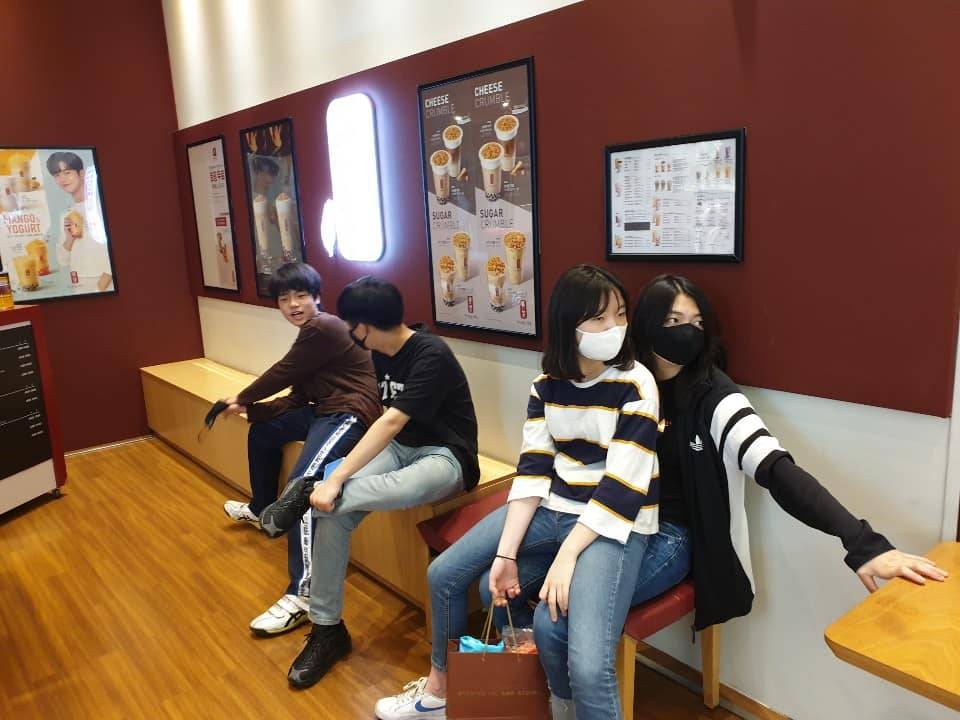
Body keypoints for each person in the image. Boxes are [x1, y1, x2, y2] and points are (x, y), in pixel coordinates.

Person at [521, 274, 948, 717]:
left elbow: (776, 469)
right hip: (603, 524)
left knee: (556, 621)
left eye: (697, 323)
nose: (687, 332)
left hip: (667, 537)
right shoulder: (619, 380)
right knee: (504, 583)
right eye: (673, 320)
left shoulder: (716, 397)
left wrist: (862, 543)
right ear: (645, 324)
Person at [375, 265, 660, 720]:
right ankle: (444, 689)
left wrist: (567, 556)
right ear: (568, 324)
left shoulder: (636, 382)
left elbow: (623, 488)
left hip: (613, 523)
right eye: (599, 318)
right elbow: (532, 472)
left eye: (620, 314)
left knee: (591, 667)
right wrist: (506, 554)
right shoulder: (545, 385)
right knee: (444, 574)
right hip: (554, 506)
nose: (615, 327)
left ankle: (559, 700)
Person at [256, 276, 480, 689]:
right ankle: (327, 630)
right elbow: (385, 425)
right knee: (331, 512)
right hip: (400, 447)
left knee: (351, 491)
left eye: (351, 325)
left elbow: (392, 420)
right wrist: (337, 478)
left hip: (446, 456)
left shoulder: (431, 354)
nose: (349, 332)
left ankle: (305, 493)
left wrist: (335, 479)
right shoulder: (378, 354)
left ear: (366, 326)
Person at [219, 262, 381, 636]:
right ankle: (262, 509)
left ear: (317, 297)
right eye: (284, 298)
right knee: (263, 432)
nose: (293, 304)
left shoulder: (323, 327)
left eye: (301, 295)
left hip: (350, 414)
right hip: (323, 411)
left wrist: (242, 396)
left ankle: (303, 595)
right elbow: (297, 396)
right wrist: (251, 411)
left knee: (302, 488)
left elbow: (283, 371)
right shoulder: (312, 339)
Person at [47, 151, 112, 291]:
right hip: (80, 283)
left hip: (105, 284)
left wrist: (99, 289)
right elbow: (63, 261)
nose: (62, 179)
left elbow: (114, 254)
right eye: (57, 175)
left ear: (81, 174)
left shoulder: (99, 207)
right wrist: (69, 238)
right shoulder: (66, 215)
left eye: (67, 172)